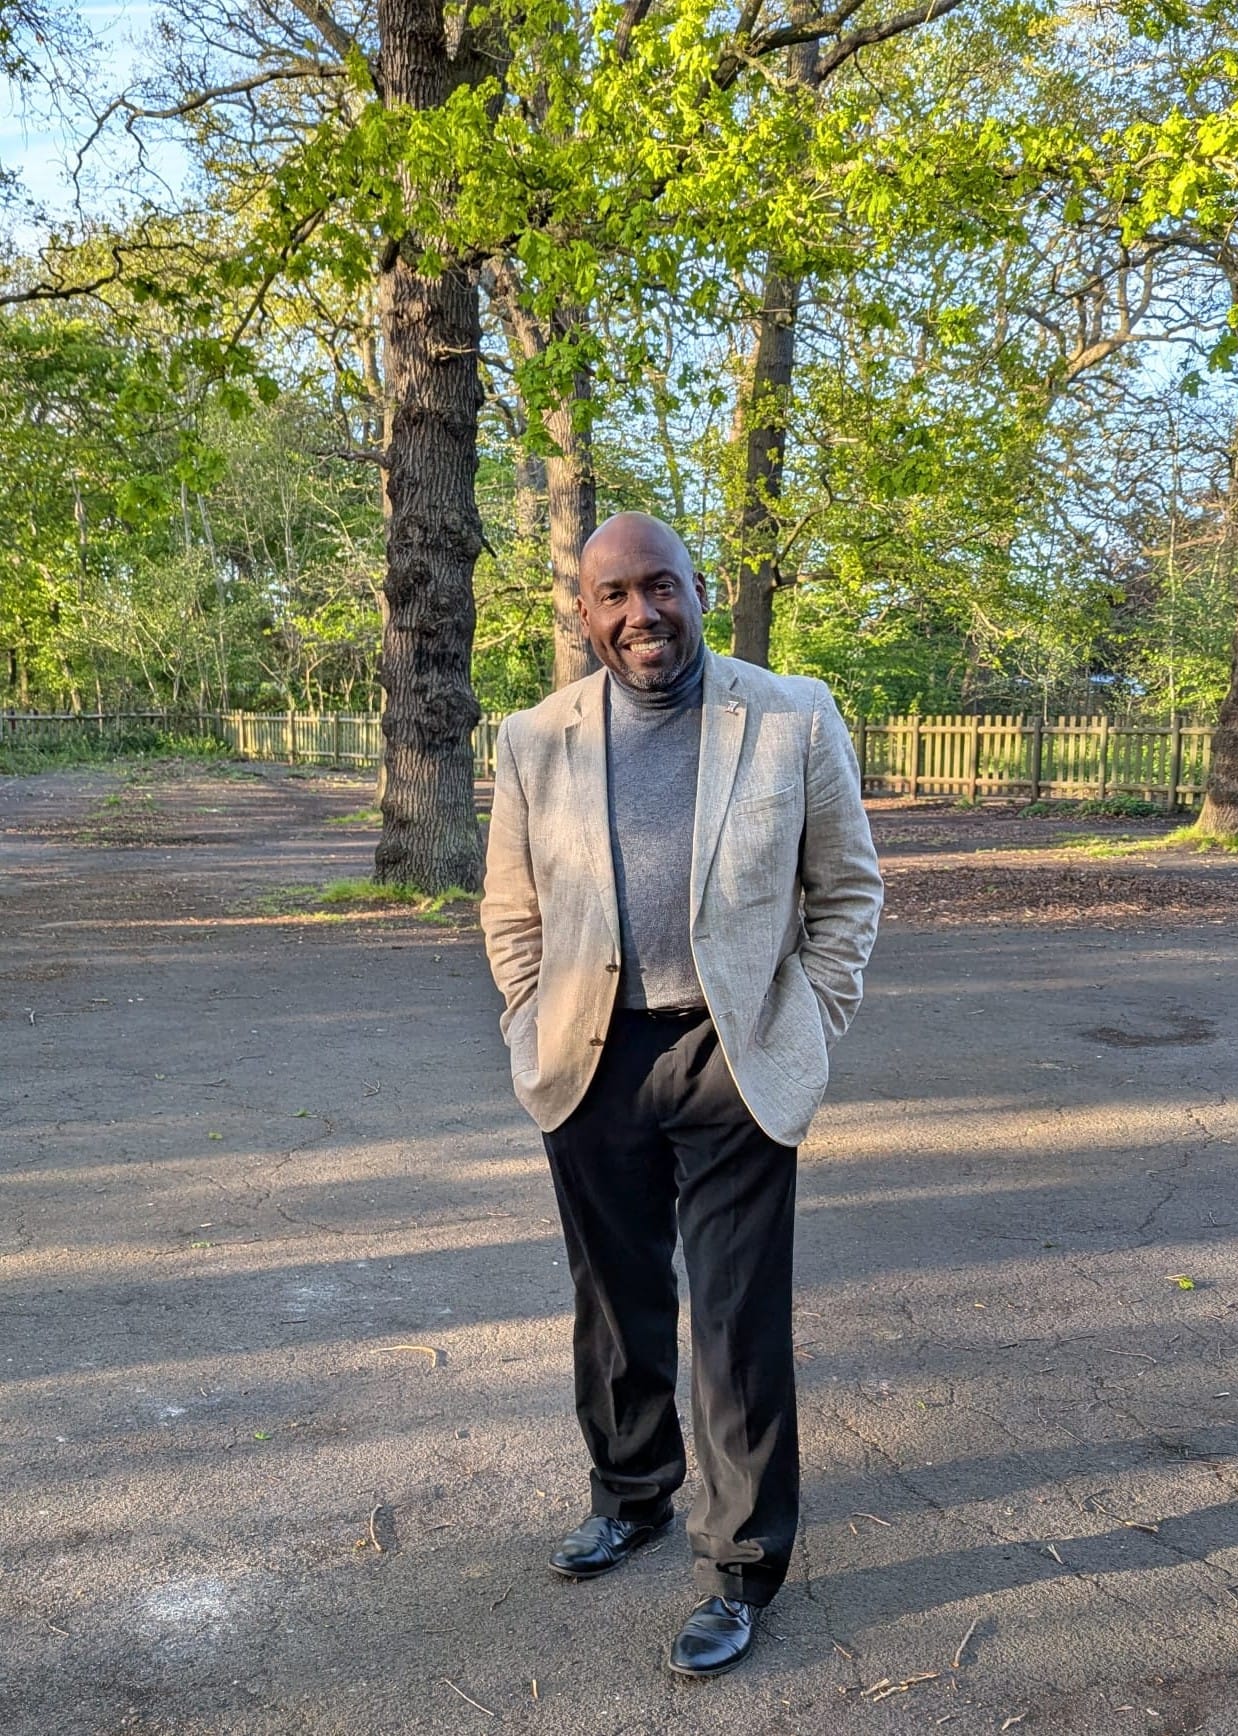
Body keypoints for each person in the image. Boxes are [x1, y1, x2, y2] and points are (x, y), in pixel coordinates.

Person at [480, 512, 882, 1678]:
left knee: (738, 1318)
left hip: (733, 1051)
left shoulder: (792, 714)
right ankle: (632, 1491)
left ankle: (745, 1558)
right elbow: (512, 910)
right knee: (611, 1298)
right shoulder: (534, 738)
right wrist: (525, 1022)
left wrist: (808, 1021)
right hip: (589, 1052)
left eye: (661, 588)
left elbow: (847, 891)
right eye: (613, 595)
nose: (640, 614)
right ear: (584, 611)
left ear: (697, 590)